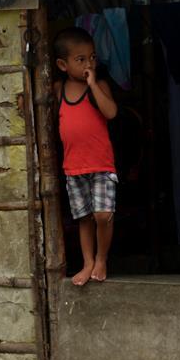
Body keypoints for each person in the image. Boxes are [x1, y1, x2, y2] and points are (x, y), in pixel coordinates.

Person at [52, 27, 118, 286]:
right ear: (62, 65)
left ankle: (101, 258)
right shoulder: (58, 90)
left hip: (101, 163)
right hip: (74, 166)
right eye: (80, 60)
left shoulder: (99, 86)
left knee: (103, 215)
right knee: (84, 218)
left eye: (92, 57)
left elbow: (111, 113)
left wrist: (92, 84)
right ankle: (87, 262)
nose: (88, 64)